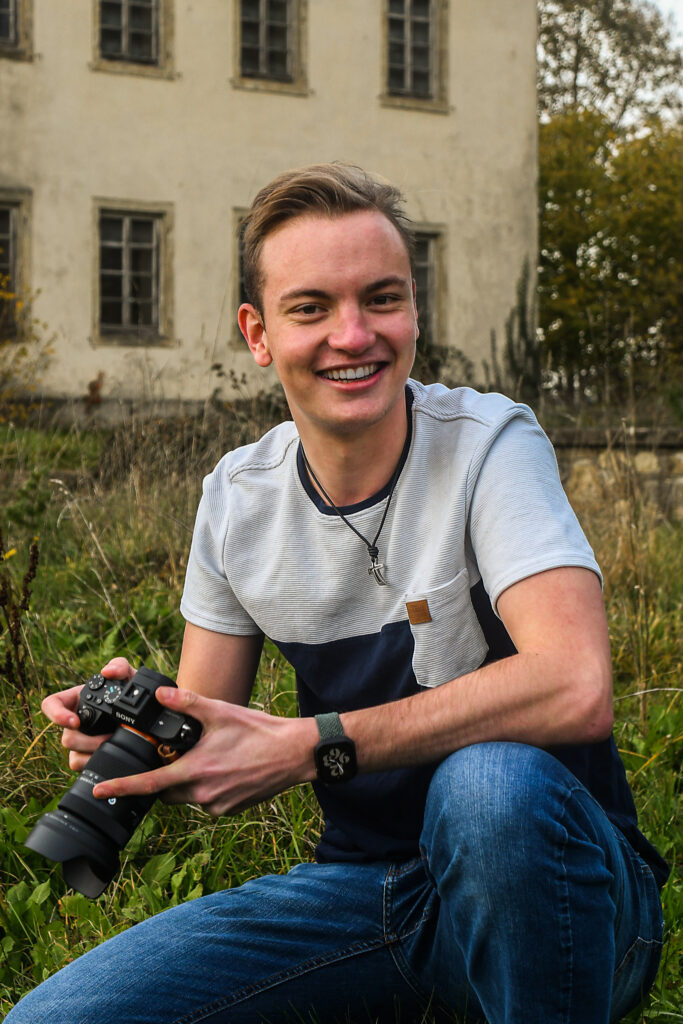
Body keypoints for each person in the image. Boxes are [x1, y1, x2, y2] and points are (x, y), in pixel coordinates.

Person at [8, 163, 668, 1024]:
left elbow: (574, 685)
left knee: (487, 788)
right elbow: (207, 722)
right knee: (53, 1019)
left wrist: (312, 746)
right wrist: (135, 732)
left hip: (571, 900)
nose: (353, 336)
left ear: (414, 311)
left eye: (381, 299)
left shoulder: (489, 444)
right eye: (311, 308)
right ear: (257, 333)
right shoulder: (237, 498)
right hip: (371, 895)